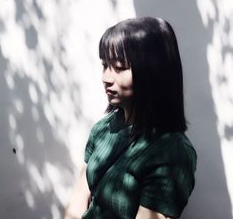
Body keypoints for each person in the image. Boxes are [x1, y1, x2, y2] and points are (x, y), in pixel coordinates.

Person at [64, 17, 197, 219]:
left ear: (152, 72)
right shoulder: (103, 129)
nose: (106, 78)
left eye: (119, 67)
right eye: (105, 65)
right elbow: (77, 203)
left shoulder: (171, 152)